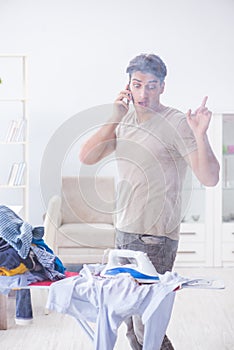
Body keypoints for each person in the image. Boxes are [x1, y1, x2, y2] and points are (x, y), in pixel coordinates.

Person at [79, 53, 220, 350]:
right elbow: (87, 157)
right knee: (130, 326)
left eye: (152, 85)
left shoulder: (177, 122)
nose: (144, 93)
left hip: (155, 238)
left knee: (147, 325)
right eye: (138, 84)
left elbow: (209, 178)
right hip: (124, 233)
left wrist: (201, 135)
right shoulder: (124, 120)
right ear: (128, 85)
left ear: (163, 87)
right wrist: (114, 117)